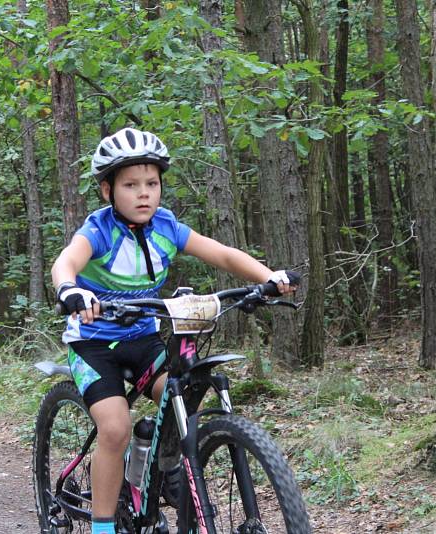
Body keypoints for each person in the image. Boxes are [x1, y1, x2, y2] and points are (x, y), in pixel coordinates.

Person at [51, 127, 296, 534]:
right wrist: (70, 289)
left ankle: (165, 463)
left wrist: (268, 277)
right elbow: (66, 261)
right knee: (114, 428)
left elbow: (220, 252)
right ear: (107, 191)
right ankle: (102, 526)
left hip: (144, 340)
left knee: (183, 391)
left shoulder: (166, 226)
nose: (143, 193)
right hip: (94, 345)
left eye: (152, 183)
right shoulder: (99, 230)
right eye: (130, 185)